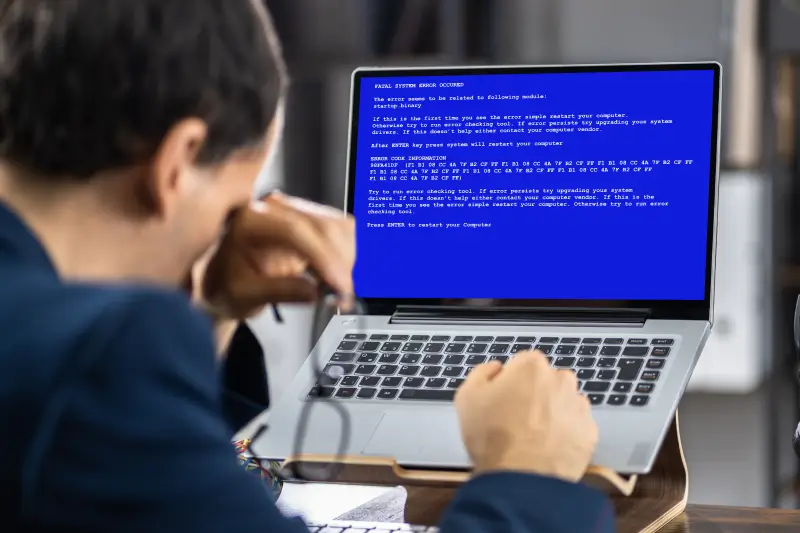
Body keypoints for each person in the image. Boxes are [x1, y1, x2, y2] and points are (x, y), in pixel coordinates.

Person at [0, 1, 616, 532]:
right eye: (233, 204)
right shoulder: (106, 358)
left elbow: (160, 496)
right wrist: (527, 477)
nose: (237, 226)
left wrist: (209, 311)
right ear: (178, 164)